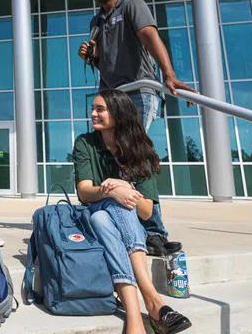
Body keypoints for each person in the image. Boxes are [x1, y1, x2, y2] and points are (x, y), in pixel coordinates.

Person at [77, 0, 194, 255]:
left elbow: (149, 37)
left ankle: (154, 232)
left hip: (139, 93)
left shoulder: (132, 4)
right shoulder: (96, 21)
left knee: (134, 157)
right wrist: (91, 57)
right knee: (118, 160)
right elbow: (105, 60)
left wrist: (168, 75)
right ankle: (127, 223)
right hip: (114, 96)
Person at [73, 89, 191, 334]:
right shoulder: (85, 143)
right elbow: (84, 193)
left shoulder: (139, 148)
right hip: (96, 212)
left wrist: (125, 190)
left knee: (105, 216)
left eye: (100, 109)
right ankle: (152, 299)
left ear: (118, 113)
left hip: (118, 223)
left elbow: (146, 211)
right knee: (103, 210)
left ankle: (134, 315)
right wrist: (112, 191)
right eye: (93, 108)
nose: (92, 113)